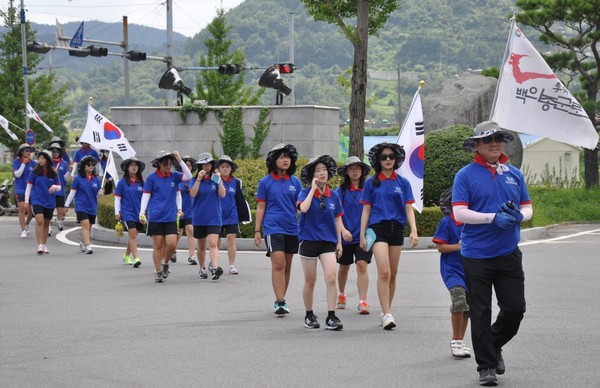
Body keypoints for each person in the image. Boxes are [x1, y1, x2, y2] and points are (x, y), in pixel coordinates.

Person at [452, 121, 532, 386]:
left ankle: (493, 344)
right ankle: (486, 366)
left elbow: (528, 207)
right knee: (481, 312)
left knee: (515, 309)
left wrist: (519, 216)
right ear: (476, 145)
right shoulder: (465, 175)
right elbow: (459, 213)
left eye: (498, 138)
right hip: (476, 256)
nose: (494, 143)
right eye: (488, 140)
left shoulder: (513, 174)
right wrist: (492, 218)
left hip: (508, 253)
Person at [359, 142, 419, 330]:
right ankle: (386, 313)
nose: (387, 160)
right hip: (378, 228)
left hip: (396, 229)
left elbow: (408, 207)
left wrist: (414, 230)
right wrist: (361, 234)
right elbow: (366, 210)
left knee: (393, 273)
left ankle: (387, 310)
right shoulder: (371, 182)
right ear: (378, 160)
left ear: (396, 160)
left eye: (391, 157)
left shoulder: (403, 182)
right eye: (384, 157)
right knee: (383, 271)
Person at [298, 155, 348, 331]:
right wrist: (313, 190)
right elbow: (303, 208)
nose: (321, 173)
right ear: (312, 175)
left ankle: (331, 316)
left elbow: (337, 220)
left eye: (324, 170)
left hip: (328, 242)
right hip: (308, 241)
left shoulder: (333, 195)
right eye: (317, 170)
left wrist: (340, 242)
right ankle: (309, 314)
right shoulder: (304, 192)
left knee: (331, 278)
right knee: (310, 280)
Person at [255, 144, 302, 315]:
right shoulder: (265, 182)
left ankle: (283, 298)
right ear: (274, 160)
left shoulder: (295, 182)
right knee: (279, 263)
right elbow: (261, 207)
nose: (285, 160)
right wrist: (257, 231)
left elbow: (301, 206)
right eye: (282, 157)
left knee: (287, 265)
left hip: (292, 227)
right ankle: (279, 301)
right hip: (273, 226)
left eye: (288, 157)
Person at [139, 151, 192, 283]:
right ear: (159, 164)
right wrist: (142, 212)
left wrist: (180, 160)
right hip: (156, 217)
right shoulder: (152, 178)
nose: (169, 166)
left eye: (170, 164)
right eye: (166, 164)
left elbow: (189, 176)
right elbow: (146, 195)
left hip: (170, 217)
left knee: (172, 244)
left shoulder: (174, 176)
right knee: (157, 245)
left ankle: (166, 263)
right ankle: (158, 271)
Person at [432, 187, 471, 359]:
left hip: (471, 270)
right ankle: (455, 340)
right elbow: (440, 247)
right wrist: (457, 246)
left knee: (468, 309)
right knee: (459, 302)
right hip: (453, 271)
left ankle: (460, 341)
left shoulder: (471, 222)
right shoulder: (447, 222)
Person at [335, 156, 373, 314]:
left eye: (357, 168)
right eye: (351, 168)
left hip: (364, 236)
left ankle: (363, 300)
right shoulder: (341, 191)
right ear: (346, 172)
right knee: (344, 267)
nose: (354, 171)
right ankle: (342, 295)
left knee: (362, 265)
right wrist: (343, 230)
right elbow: (336, 214)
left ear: (362, 171)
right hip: (346, 236)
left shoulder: (368, 188)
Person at [189, 153, 226, 280]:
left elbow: (222, 194)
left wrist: (219, 180)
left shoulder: (214, 179)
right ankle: (202, 268)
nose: (207, 166)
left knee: (212, 243)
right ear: (200, 166)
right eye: (204, 164)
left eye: (209, 164)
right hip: (199, 217)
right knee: (201, 244)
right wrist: (199, 179)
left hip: (214, 217)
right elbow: (193, 194)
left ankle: (215, 268)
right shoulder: (194, 180)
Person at [216, 155, 251, 275]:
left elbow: (240, 200)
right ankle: (215, 264)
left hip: (232, 215)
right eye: (222, 167)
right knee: (216, 240)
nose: (225, 169)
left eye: (227, 167)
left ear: (231, 169)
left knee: (231, 238)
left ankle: (231, 265)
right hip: (217, 215)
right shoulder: (215, 180)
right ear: (219, 168)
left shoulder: (236, 182)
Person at [64, 156, 103, 254]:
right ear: (83, 166)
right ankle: (88, 246)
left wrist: (100, 193)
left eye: (92, 165)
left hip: (92, 206)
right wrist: (66, 205)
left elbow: (97, 195)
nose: (91, 166)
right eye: (88, 164)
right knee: (85, 224)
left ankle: (83, 242)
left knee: (88, 227)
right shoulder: (78, 178)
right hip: (81, 205)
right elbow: (72, 193)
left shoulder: (97, 179)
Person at [24, 150, 60, 254]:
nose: (40, 160)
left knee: (46, 224)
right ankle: (39, 245)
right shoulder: (34, 172)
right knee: (40, 221)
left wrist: (54, 187)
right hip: (37, 200)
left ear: (48, 160)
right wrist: (26, 201)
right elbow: (29, 186)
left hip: (49, 201)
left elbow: (59, 186)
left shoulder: (53, 172)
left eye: (42, 158)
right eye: (39, 158)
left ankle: (44, 244)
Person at [114, 157, 146, 268]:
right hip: (127, 213)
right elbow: (117, 198)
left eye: (136, 165)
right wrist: (117, 212)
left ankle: (126, 255)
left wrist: (144, 213)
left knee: (134, 235)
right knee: (132, 233)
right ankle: (136, 258)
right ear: (127, 168)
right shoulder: (122, 183)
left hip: (138, 213)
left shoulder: (142, 183)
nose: (134, 167)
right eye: (131, 165)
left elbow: (146, 198)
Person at [174, 155, 198, 266]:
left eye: (189, 165)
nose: (187, 167)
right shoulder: (178, 179)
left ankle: (192, 255)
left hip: (190, 210)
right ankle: (172, 250)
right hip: (178, 211)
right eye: (185, 165)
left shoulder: (195, 180)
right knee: (177, 233)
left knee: (190, 230)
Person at [13, 144, 36, 238]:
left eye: (29, 150)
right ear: (22, 152)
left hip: (31, 190)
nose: (28, 152)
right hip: (20, 189)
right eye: (26, 150)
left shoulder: (34, 163)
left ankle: (27, 224)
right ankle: (23, 230)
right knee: (22, 209)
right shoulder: (16, 162)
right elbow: (17, 175)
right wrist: (23, 163)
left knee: (31, 212)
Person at [47, 142, 69, 234]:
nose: (55, 153)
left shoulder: (64, 163)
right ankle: (49, 227)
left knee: (62, 212)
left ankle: (58, 220)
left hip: (60, 190)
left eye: (57, 151)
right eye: (53, 151)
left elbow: (65, 178)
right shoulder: (48, 162)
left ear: (60, 152)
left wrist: (69, 171)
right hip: (50, 190)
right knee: (49, 211)